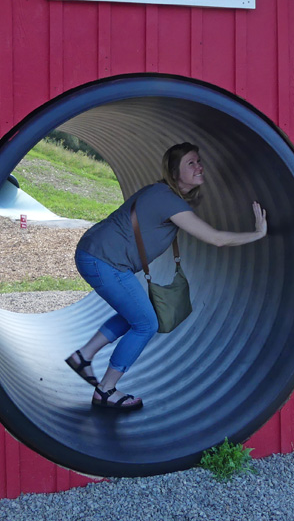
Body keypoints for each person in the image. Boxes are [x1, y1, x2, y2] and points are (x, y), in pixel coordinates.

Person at [65, 142, 267, 411]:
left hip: (100, 256)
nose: (199, 166)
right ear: (175, 172)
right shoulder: (167, 199)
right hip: (103, 260)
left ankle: (84, 356)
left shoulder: (164, 195)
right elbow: (215, 238)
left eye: (198, 161)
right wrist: (257, 234)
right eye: (191, 163)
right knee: (146, 323)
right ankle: (106, 390)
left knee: (135, 314)